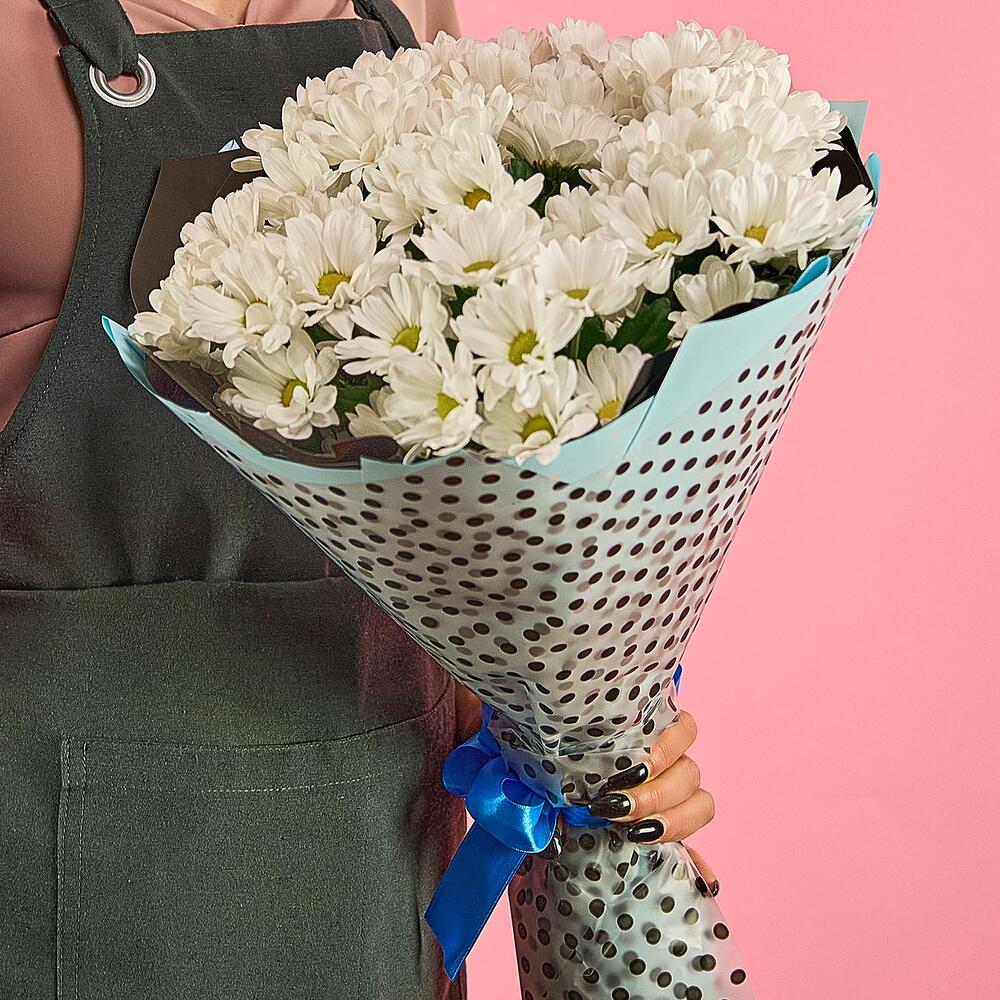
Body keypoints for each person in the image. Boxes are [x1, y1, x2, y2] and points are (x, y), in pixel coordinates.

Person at [0, 2, 718, 997]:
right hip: (54, 863)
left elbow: (463, 464)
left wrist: (561, 741)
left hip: (377, 850)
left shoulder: (398, 13)